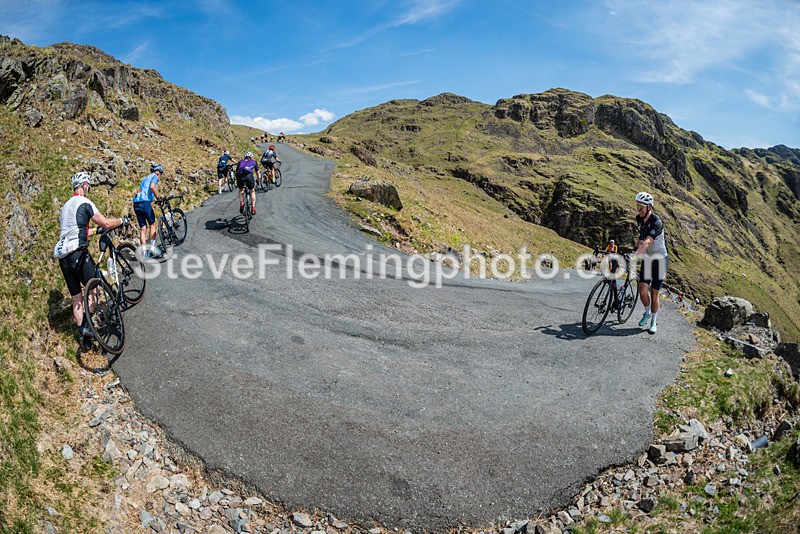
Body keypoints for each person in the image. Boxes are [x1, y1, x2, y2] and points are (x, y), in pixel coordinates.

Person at [54, 172, 129, 342]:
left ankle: (84, 337)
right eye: (88, 186)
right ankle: (89, 328)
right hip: (78, 253)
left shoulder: (65, 207)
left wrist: (96, 231)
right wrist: (122, 220)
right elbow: (106, 223)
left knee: (76, 298)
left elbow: (78, 230)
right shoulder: (85, 202)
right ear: (85, 185)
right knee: (94, 288)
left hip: (63, 257)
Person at [633, 191, 668, 334]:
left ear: (649, 207)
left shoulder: (657, 222)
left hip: (660, 260)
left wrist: (635, 256)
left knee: (654, 293)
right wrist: (634, 249)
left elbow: (648, 241)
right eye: (637, 206)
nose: (638, 209)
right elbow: (641, 237)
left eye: (641, 207)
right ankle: (647, 313)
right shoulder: (639, 218)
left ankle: (654, 320)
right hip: (648, 259)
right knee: (642, 292)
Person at [132, 163, 163, 257]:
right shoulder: (154, 176)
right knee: (153, 224)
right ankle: (152, 250)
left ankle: (144, 252)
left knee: (143, 228)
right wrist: (158, 197)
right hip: (145, 203)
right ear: (158, 172)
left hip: (136, 203)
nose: (160, 176)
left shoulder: (146, 178)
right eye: (161, 174)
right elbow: (152, 187)